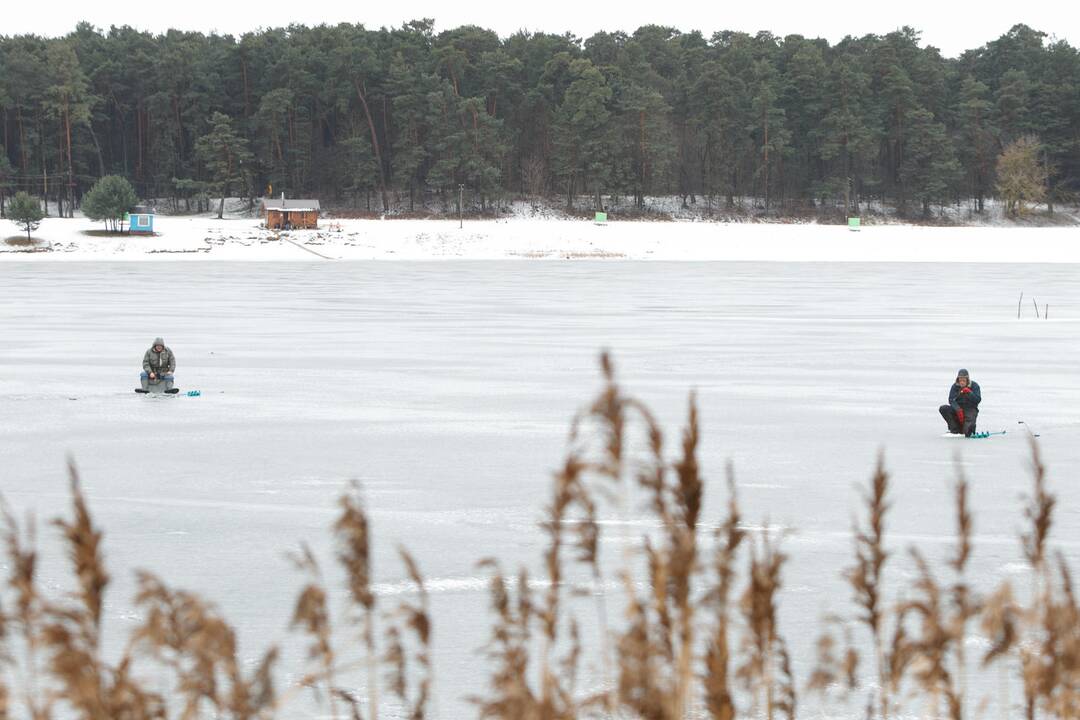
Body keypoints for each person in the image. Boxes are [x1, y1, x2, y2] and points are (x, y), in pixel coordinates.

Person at [939, 368, 981, 436]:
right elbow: (951, 400)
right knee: (943, 408)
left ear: (967, 380)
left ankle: (969, 429)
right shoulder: (955, 386)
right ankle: (954, 429)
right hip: (958, 408)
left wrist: (970, 393)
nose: (961, 382)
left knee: (967, 432)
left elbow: (978, 400)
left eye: (963, 380)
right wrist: (958, 409)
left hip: (970, 409)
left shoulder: (975, 386)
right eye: (960, 380)